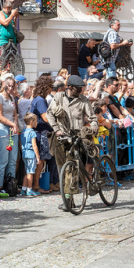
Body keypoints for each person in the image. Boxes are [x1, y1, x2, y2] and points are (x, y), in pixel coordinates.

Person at [46, 75, 98, 209]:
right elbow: (49, 113)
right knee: (61, 167)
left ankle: (68, 199)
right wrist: (56, 129)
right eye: (78, 89)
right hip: (61, 136)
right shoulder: (58, 97)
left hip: (77, 136)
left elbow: (92, 117)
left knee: (72, 168)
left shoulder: (83, 100)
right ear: (69, 87)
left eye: (82, 88)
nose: (80, 91)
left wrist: (93, 127)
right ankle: (68, 197)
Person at [0, 77, 20, 195]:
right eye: (8, 85)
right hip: (2, 129)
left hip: (12, 130)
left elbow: (15, 113)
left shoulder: (12, 97)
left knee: (13, 159)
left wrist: (15, 124)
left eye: (12, 86)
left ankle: (10, 185)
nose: (10, 88)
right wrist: (12, 124)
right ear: (4, 84)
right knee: (2, 160)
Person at [21, 113, 41, 197]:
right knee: (31, 172)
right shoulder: (32, 132)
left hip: (24, 153)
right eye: (36, 121)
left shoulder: (23, 131)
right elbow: (34, 145)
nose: (37, 123)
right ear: (32, 122)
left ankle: (23, 189)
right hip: (31, 153)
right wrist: (38, 156)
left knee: (27, 172)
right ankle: (29, 190)